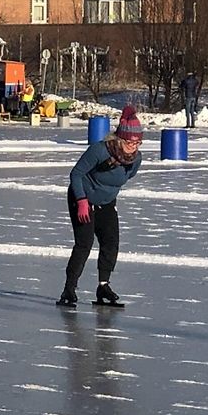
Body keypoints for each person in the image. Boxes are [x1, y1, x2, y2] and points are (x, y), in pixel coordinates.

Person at [56, 105, 144, 307]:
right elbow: (76, 174)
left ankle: (103, 286)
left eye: (138, 142)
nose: (135, 147)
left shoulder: (135, 159)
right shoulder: (100, 150)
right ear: (120, 139)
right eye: (131, 142)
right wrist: (82, 201)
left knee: (111, 243)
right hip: (82, 198)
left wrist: (106, 195)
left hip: (106, 203)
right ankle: (69, 289)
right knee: (84, 243)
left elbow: (127, 176)